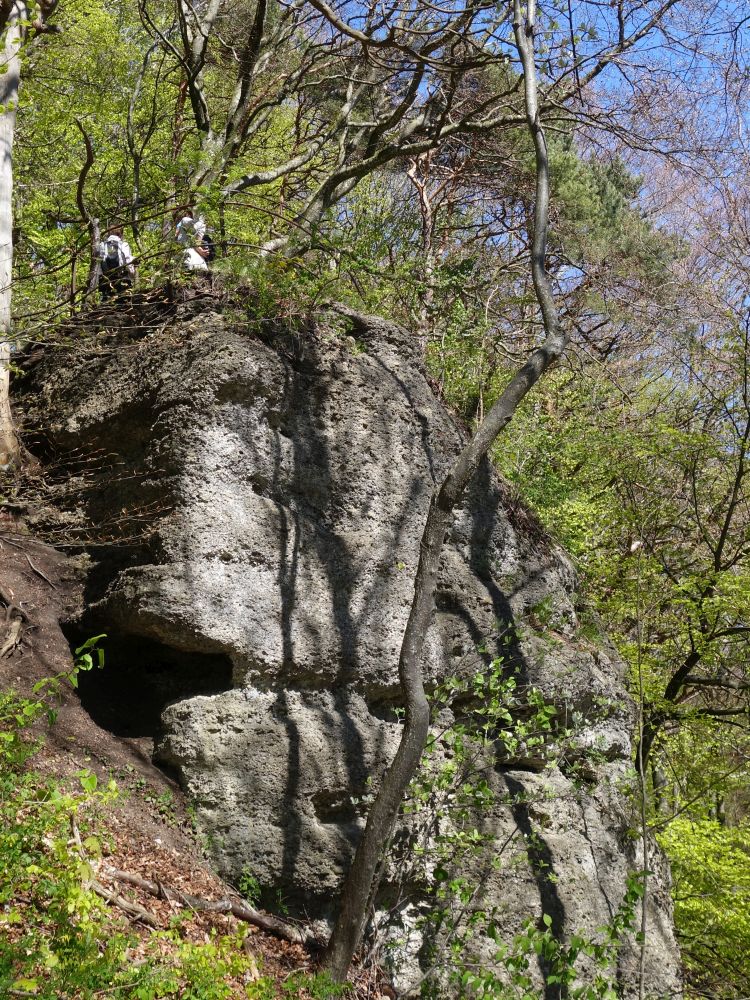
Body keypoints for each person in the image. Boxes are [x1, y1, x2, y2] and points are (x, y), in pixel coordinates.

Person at [97, 228, 135, 300]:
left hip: (106, 280)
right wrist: (132, 273)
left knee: (106, 303)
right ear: (120, 234)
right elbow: (128, 260)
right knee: (123, 302)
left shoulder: (102, 245)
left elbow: (99, 263)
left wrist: (100, 278)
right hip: (122, 278)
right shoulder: (124, 244)